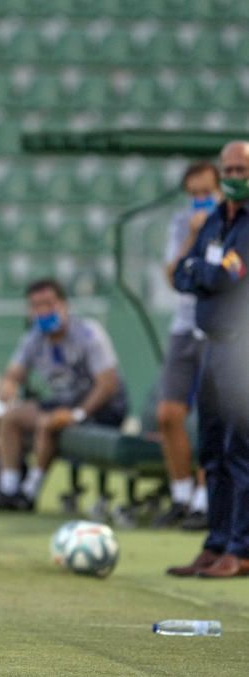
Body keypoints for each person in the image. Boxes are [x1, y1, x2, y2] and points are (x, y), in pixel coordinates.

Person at [167, 141, 249, 578]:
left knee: (241, 449)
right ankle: (217, 541)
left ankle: (242, 547)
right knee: (213, 449)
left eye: (242, 168)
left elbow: (228, 278)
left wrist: (201, 271)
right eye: (230, 168)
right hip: (212, 343)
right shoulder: (218, 218)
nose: (235, 175)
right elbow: (182, 272)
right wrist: (203, 271)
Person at [0, 278, 128, 510]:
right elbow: (13, 373)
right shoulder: (33, 338)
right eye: (36, 306)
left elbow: (107, 384)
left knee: (48, 423)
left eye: (48, 304)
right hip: (63, 401)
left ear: (64, 305)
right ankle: (8, 490)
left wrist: (78, 415)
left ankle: (29, 493)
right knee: (11, 418)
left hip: (101, 408)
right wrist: (8, 385)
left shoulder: (89, 334)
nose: (42, 311)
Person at [152, 162, 220, 529]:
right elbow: (172, 277)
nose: (199, 200)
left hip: (220, 329)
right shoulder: (182, 223)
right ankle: (180, 494)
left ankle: (204, 500)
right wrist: (192, 237)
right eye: (193, 194)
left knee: (214, 417)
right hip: (185, 325)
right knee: (169, 414)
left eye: (205, 192)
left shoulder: (234, 222)